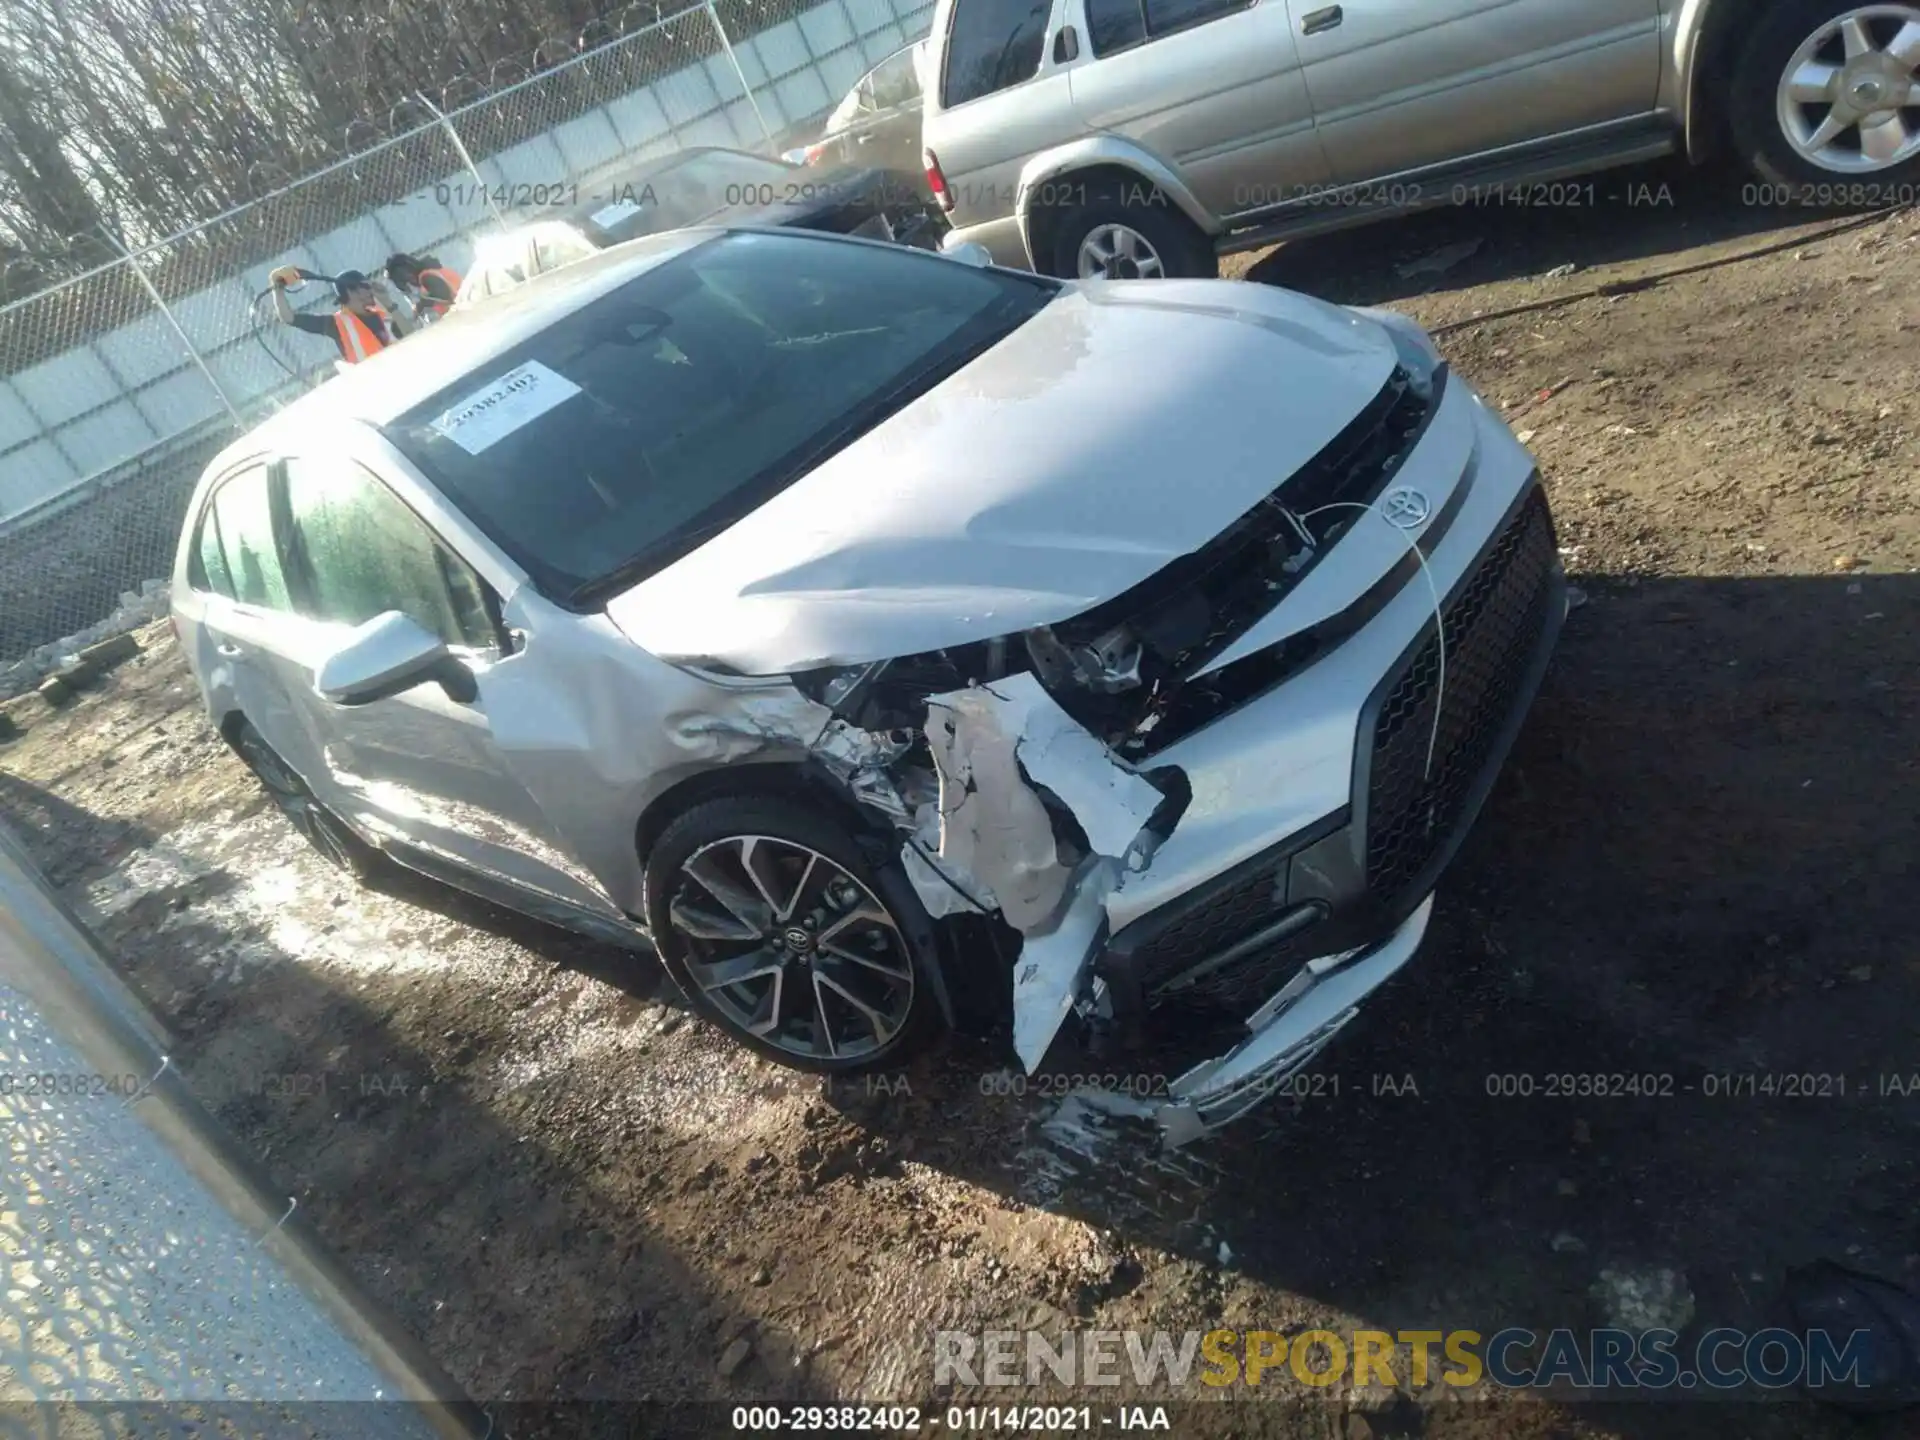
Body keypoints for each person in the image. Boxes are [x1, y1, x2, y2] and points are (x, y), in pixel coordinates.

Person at [268, 266, 411, 364]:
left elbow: (411, 334)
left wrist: (388, 303)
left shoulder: (382, 314)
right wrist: (277, 287)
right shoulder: (336, 324)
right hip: (370, 386)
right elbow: (288, 317)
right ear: (351, 291)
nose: (371, 290)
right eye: (366, 286)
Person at [384, 252, 464, 323]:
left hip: (462, 310)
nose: (409, 283)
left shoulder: (427, 276)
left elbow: (444, 296)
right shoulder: (430, 273)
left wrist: (421, 305)